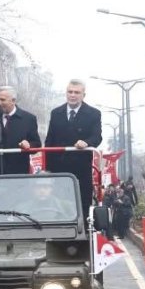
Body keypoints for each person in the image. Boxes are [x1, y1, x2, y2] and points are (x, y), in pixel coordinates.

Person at [44, 79, 103, 217]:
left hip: (80, 168)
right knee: (57, 206)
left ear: (83, 95)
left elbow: (97, 137)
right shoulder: (56, 113)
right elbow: (49, 141)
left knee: (81, 205)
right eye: (70, 92)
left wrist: (86, 143)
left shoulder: (93, 113)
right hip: (58, 169)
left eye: (77, 92)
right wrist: (47, 169)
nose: (73, 95)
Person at [0, 86, 42, 175]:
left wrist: (28, 145)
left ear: (13, 100)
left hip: (19, 174)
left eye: (2, 100)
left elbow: (37, 144)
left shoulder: (28, 119)